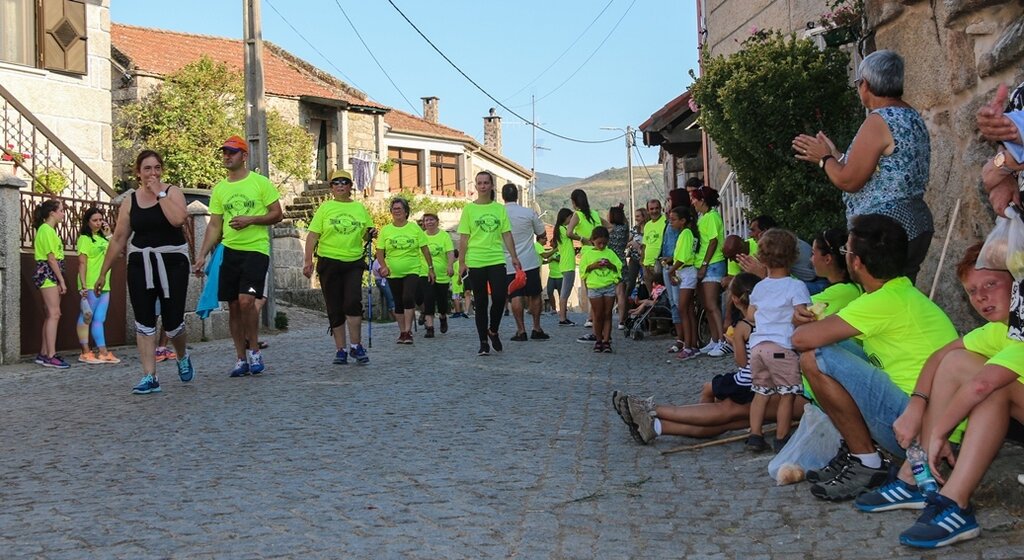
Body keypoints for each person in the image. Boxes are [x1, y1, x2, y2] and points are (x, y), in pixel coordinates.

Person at [840, 243, 1020, 548]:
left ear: (1017, 285)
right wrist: (916, 405)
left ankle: (955, 502)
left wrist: (938, 433)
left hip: (1000, 398)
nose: (981, 298)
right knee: (956, 362)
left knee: (991, 389)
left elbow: (981, 386)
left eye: (991, 284)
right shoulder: (998, 330)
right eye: (972, 291)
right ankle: (915, 475)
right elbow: (940, 357)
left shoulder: (1021, 333)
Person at [791, 214, 957, 501]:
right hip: (932, 418)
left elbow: (801, 340)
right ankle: (860, 449)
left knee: (815, 356)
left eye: (847, 252)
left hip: (919, 427)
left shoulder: (880, 301)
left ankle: (866, 461)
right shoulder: (900, 291)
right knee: (836, 347)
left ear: (856, 262)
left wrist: (800, 321)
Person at [613, 273, 811, 443]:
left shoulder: (792, 296)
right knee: (731, 419)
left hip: (799, 389)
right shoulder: (795, 295)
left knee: (730, 412)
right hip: (791, 382)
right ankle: (655, 426)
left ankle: (652, 410)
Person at [793, 50, 933, 284]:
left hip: (883, 230)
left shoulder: (878, 120)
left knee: (882, 302)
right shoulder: (910, 115)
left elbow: (849, 181)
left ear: (865, 85)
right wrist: (834, 154)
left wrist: (823, 160)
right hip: (914, 221)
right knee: (900, 295)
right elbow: (876, 170)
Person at [98, 150, 194, 393]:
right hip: (141, 262)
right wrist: (103, 273)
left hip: (173, 262)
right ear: (138, 173)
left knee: (173, 322)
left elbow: (178, 220)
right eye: (147, 168)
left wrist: (159, 193)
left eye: (157, 168)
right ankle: (150, 376)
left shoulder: (172, 192)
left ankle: (181, 355)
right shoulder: (130, 201)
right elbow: (119, 238)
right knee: (144, 321)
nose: (153, 173)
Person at [193, 136, 283, 377]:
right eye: (224, 152)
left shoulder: (260, 183)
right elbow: (214, 225)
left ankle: (254, 350)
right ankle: (240, 358)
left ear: (244, 156)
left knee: (246, 301)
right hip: (229, 250)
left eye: (232, 152)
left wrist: (251, 219)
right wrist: (201, 254)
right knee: (233, 305)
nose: (227, 156)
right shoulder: (220, 189)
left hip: (256, 249)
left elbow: (277, 214)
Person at [744, 229, 811, 453]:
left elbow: (751, 315)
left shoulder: (759, 287)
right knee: (787, 394)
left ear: (761, 258)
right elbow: (801, 315)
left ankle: (755, 435)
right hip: (782, 348)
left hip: (757, 349)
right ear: (794, 256)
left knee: (760, 393)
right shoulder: (796, 286)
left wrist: (766, 314)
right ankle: (782, 438)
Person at [302, 169, 372, 364]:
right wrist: (308, 261)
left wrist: (371, 233)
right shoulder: (325, 208)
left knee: (352, 301)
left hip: (353, 261)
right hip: (328, 261)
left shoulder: (360, 208)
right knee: (334, 306)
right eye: (336, 182)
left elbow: (366, 234)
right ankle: (340, 349)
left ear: (350, 186)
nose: (340, 185)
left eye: (344, 182)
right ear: (331, 187)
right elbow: (312, 236)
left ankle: (356, 346)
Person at [457, 171, 521, 356]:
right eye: (479, 183)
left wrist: (514, 256)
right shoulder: (469, 209)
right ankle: (483, 342)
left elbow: (506, 234)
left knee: (500, 297)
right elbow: (464, 238)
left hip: (496, 258)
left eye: (486, 182)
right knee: (482, 301)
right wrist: (462, 262)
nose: (483, 186)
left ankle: (493, 330)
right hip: (476, 260)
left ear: (492, 186)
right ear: (475, 186)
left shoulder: (499, 209)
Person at [376, 197, 434, 344]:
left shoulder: (414, 228)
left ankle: (408, 331)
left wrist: (430, 268)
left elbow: (425, 250)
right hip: (392, 271)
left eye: (399, 209)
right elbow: (380, 251)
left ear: (406, 211)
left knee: (408, 297)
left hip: (412, 269)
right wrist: (383, 266)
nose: (397, 212)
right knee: (398, 302)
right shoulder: (386, 230)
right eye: (394, 209)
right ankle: (402, 331)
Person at [500, 183, 548, 341]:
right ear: (518, 196)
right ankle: (536, 327)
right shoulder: (529, 213)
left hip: (508, 262)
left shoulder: (498, 214)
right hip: (529, 261)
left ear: (502, 196)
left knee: (515, 296)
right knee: (535, 295)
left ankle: (521, 330)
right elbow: (542, 235)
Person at [75, 207, 119, 364]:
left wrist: (109, 235)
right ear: (88, 222)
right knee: (87, 316)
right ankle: (85, 351)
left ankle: (102, 351)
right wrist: (83, 285)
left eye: (100, 219)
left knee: (100, 318)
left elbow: (115, 253)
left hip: (104, 283)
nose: (99, 223)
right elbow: (82, 262)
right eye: (95, 220)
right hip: (90, 282)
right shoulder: (84, 239)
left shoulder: (104, 239)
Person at [32, 199, 69, 369]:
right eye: (61, 210)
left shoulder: (48, 230)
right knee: (55, 314)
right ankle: (51, 355)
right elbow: (51, 258)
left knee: (51, 314)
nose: (63, 213)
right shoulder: (46, 230)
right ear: (52, 213)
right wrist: (61, 280)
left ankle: (44, 352)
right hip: (48, 273)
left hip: (51, 272)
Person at [691, 186, 728, 356]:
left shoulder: (712, 216)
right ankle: (714, 339)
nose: (693, 202)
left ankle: (722, 340)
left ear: (702, 200)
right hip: (704, 264)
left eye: (695, 199)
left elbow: (713, 241)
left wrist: (705, 263)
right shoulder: (703, 217)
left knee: (712, 305)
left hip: (712, 264)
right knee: (707, 305)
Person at [566, 188, 609, 330]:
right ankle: (597, 315)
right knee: (600, 284)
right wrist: (602, 240)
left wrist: (583, 239)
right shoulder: (595, 214)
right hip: (600, 251)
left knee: (588, 287)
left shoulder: (577, 215)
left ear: (573, 202)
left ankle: (591, 317)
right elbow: (610, 227)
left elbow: (569, 232)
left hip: (587, 252)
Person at [577, 226, 621, 353]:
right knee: (598, 314)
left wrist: (610, 265)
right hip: (594, 287)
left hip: (608, 286)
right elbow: (583, 271)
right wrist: (593, 266)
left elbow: (618, 268)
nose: (601, 246)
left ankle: (606, 340)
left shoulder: (610, 253)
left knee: (607, 314)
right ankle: (598, 339)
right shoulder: (588, 254)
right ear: (592, 241)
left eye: (604, 243)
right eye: (599, 243)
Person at [666, 206, 700, 359]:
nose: (670, 222)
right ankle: (693, 344)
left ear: (683, 221)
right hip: (685, 271)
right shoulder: (686, 233)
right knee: (688, 311)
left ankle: (688, 346)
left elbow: (684, 257)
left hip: (686, 272)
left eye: (673, 219)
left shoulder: (686, 233)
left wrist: (672, 270)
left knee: (683, 309)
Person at [421, 212, 455, 338]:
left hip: (442, 274)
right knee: (428, 298)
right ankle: (430, 327)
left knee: (442, 301)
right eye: (426, 220)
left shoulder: (444, 236)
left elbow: (450, 252)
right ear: (424, 224)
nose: (429, 222)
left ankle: (442, 316)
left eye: (431, 220)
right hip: (425, 272)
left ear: (437, 221)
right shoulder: (422, 236)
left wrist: (450, 265)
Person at [552, 208, 577, 326]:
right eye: (571, 218)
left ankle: (563, 317)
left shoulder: (559, 229)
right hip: (568, 265)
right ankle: (562, 318)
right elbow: (572, 234)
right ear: (566, 217)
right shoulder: (563, 229)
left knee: (565, 292)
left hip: (566, 263)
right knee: (565, 293)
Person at [607, 204, 630, 330]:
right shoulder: (625, 228)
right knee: (621, 293)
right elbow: (625, 221)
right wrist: (622, 211)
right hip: (621, 261)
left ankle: (607, 318)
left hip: (609, 262)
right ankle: (622, 321)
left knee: (609, 292)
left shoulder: (608, 230)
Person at [623, 207, 648, 311]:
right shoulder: (634, 229)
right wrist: (631, 244)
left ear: (644, 216)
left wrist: (639, 246)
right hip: (634, 259)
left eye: (638, 216)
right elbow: (626, 242)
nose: (636, 218)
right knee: (630, 283)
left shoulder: (648, 228)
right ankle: (625, 309)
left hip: (645, 259)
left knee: (645, 283)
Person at [641, 199, 666, 295]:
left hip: (659, 264)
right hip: (647, 265)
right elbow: (645, 244)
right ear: (648, 211)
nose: (654, 211)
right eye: (651, 209)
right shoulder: (647, 225)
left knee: (662, 294)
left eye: (657, 208)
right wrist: (642, 261)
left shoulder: (665, 221)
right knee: (652, 295)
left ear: (661, 209)